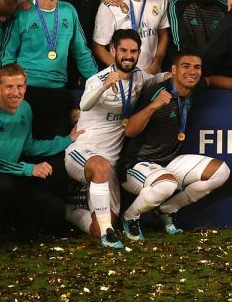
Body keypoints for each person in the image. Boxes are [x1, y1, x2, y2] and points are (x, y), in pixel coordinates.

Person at [65, 30, 165, 249]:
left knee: (97, 227)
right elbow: (84, 106)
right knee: (100, 167)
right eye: (123, 50)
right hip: (82, 151)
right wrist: (103, 86)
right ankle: (108, 235)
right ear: (113, 51)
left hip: (109, 163)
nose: (128, 56)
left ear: (139, 53)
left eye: (133, 51)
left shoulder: (140, 77)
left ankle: (70, 212)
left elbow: (160, 78)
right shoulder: (98, 79)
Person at [118, 51, 230, 240]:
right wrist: (153, 106)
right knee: (166, 184)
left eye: (197, 67)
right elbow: (129, 131)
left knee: (221, 171)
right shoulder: (157, 92)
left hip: (167, 163)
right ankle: (130, 217)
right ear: (174, 70)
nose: (192, 72)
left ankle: (166, 210)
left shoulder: (191, 88)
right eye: (186, 66)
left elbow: (211, 81)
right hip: (135, 165)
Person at [0, 64, 78, 242]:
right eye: (9, 87)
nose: (15, 92)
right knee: (3, 184)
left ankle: (21, 226)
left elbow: (28, 146)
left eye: (20, 87)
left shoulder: (25, 108)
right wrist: (30, 169)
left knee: (55, 209)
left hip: (13, 174)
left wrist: (67, 140)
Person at [0, 0, 100, 138]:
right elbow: (7, 55)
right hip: (27, 92)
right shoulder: (22, 13)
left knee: (57, 151)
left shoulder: (68, 11)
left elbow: (81, 52)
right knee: (26, 148)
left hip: (58, 92)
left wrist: (99, 83)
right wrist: (8, 91)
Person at [93, 0, 170, 73]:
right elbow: (98, 47)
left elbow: (163, 33)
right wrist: (123, 70)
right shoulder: (111, 5)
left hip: (152, 73)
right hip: (124, 77)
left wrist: (157, 62)